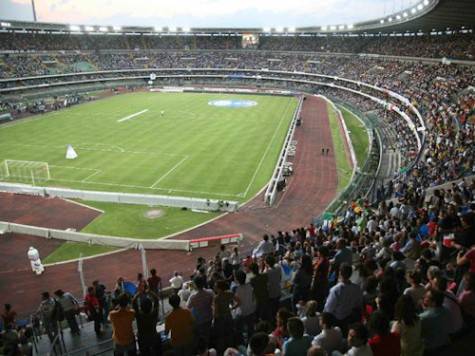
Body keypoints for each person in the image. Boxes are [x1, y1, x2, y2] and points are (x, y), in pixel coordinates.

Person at [324, 263, 362, 334]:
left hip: (337, 319)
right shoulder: (356, 288)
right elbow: (358, 303)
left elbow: (329, 308)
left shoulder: (335, 289)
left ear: (340, 273)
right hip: (349, 317)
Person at [419, 289, 451, 353]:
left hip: (430, 347)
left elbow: (418, 332)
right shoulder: (447, 310)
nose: (423, 297)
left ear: (434, 302)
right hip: (444, 341)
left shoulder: (423, 317)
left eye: (426, 297)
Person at [186, 275, 214, 345]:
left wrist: (191, 292)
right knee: (207, 334)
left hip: (198, 320)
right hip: (208, 317)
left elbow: (188, 307)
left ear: (195, 284)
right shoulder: (210, 292)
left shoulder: (193, 296)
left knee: (199, 337)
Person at [133, 290, 161, 356]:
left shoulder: (139, 316)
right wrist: (150, 292)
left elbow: (134, 303)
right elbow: (156, 300)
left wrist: (138, 294)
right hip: (153, 337)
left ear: (141, 308)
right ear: (151, 306)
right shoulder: (154, 314)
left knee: (144, 353)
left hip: (142, 339)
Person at [213, 280, 238, 353]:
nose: (214, 287)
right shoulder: (229, 293)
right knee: (230, 332)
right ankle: (231, 347)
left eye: (216, 286)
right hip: (228, 315)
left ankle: (223, 351)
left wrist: (214, 319)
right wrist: (232, 308)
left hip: (221, 318)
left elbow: (216, 313)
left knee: (221, 335)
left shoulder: (216, 298)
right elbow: (239, 301)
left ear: (219, 288)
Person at [233, 269, 256, 343]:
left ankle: (244, 342)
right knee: (251, 328)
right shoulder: (250, 285)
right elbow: (253, 297)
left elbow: (238, 303)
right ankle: (251, 341)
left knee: (239, 329)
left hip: (242, 312)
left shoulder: (236, 289)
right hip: (251, 309)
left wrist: (232, 308)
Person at [265, 255, 282, 320]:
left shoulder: (267, 271)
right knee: (278, 307)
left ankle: (275, 320)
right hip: (278, 289)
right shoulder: (278, 267)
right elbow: (280, 278)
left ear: (267, 263)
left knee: (273, 310)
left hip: (271, 293)